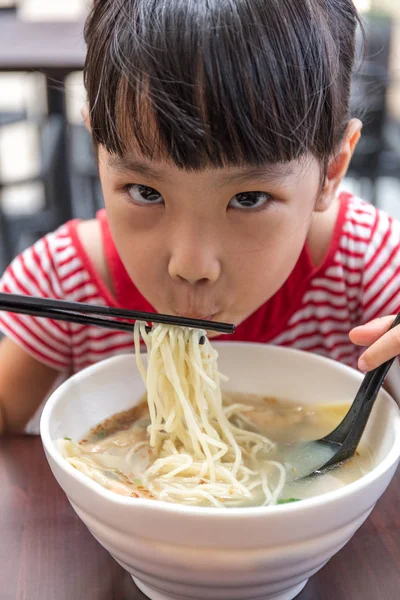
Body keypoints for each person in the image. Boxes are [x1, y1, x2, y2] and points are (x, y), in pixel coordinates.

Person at [0, 0, 399, 435]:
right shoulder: (63, 281)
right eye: (146, 191)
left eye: (248, 198)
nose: (190, 266)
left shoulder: (366, 263)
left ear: (331, 173)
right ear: (98, 152)